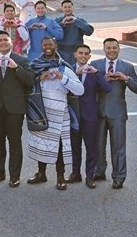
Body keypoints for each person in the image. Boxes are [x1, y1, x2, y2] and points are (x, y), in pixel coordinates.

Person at [27, 37, 84, 190]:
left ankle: (60, 176)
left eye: (50, 44)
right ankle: (41, 173)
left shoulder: (64, 67)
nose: (48, 47)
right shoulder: (35, 66)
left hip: (60, 113)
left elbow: (80, 90)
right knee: (41, 143)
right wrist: (39, 78)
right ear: (41, 46)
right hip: (41, 111)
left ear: (55, 46)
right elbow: (25, 83)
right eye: (45, 44)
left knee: (58, 146)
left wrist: (62, 78)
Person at [0, 29, 35, 187]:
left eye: (6, 39)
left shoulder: (21, 59)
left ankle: (14, 175)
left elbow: (30, 81)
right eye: (0, 40)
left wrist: (17, 68)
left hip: (15, 107)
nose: (3, 42)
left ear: (11, 41)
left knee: (14, 142)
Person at [91, 38, 137, 189]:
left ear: (119, 49)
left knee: (118, 147)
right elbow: (88, 88)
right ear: (104, 49)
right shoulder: (95, 65)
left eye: (114, 48)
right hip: (99, 111)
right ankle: (99, 171)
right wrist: (102, 79)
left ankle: (119, 177)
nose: (111, 50)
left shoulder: (127, 67)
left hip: (118, 112)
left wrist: (125, 79)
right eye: (108, 48)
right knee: (98, 145)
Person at [69, 44, 112, 188]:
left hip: (90, 115)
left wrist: (98, 73)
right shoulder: (69, 70)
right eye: (80, 53)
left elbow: (107, 88)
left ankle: (89, 176)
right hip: (73, 115)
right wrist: (76, 73)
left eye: (86, 53)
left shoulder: (94, 72)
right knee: (75, 146)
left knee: (91, 147)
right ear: (75, 54)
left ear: (89, 56)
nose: (83, 55)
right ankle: (75, 174)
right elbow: (63, 88)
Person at [55, 0, 95, 65]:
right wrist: (62, 24)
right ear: (62, 8)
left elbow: (89, 32)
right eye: (65, 7)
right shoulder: (57, 21)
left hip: (77, 53)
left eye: (69, 7)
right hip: (61, 52)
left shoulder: (80, 21)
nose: (67, 9)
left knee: (77, 72)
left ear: (73, 8)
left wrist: (76, 21)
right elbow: (51, 34)